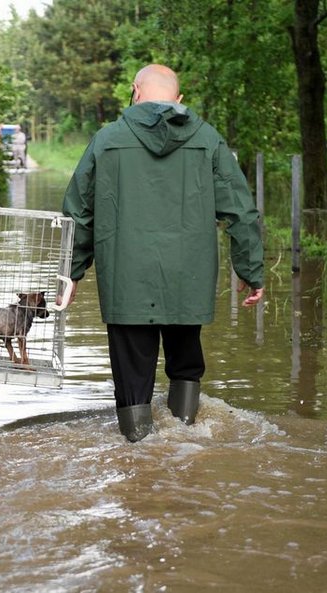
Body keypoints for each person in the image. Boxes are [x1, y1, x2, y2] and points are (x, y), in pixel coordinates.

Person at [61, 64, 265, 443]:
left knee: (132, 377)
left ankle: (140, 455)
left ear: (135, 91)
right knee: (186, 364)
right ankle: (184, 443)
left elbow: (78, 212)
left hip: (126, 279)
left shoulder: (107, 139)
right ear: (179, 100)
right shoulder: (207, 139)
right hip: (187, 277)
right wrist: (250, 270)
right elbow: (240, 208)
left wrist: (71, 273)